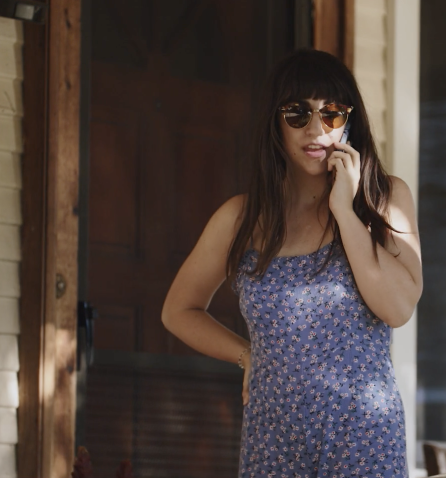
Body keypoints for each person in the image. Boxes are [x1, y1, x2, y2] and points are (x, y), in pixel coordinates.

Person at [161, 49, 422, 478]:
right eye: (297, 113)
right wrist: (247, 354)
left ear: (349, 121)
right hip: (272, 438)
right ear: (275, 123)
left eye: (332, 113)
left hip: (362, 439)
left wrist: (346, 210)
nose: (316, 129)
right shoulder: (242, 218)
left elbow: (397, 308)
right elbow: (178, 310)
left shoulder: (383, 197)